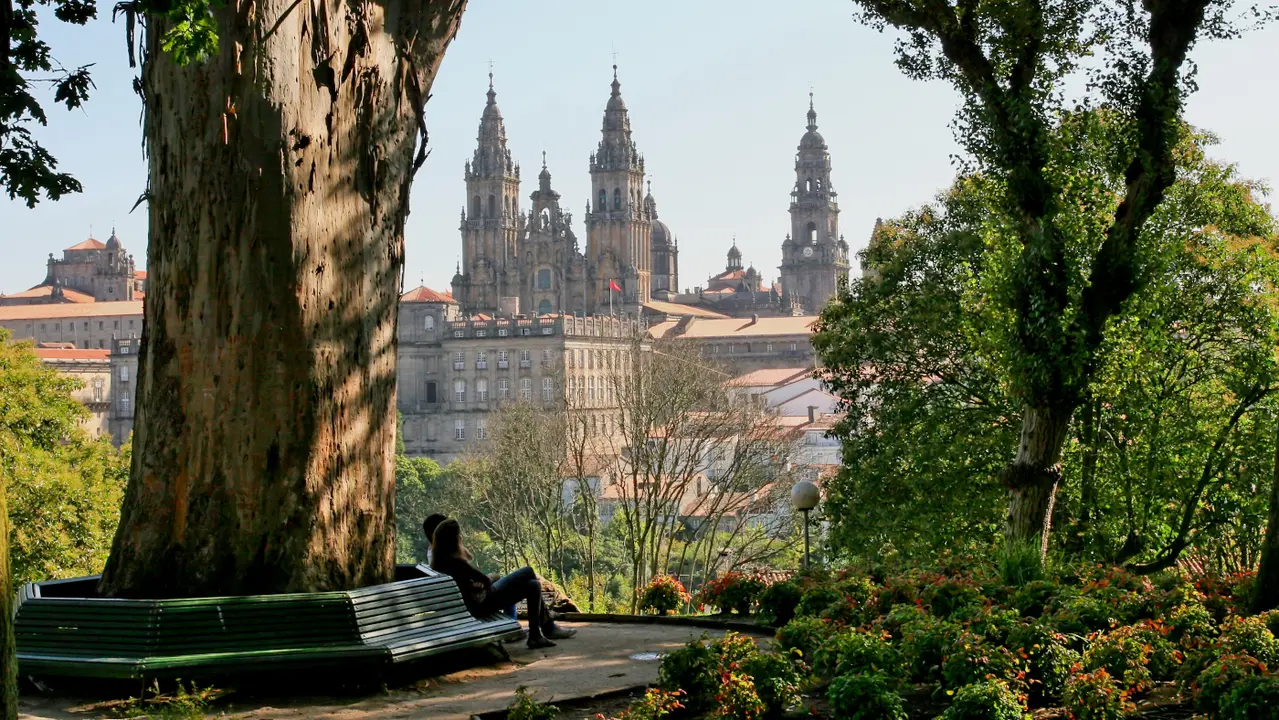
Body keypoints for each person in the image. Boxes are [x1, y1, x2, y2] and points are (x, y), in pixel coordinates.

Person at [431, 519, 576, 649]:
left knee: (533, 585)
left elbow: (466, 584)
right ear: (454, 539)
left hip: (473, 605)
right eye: (459, 535)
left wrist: (476, 584)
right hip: (483, 604)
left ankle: (535, 636)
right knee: (528, 571)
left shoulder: (440, 561)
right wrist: (492, 577)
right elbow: (486, 580)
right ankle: (547, 627)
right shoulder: (458, 563)